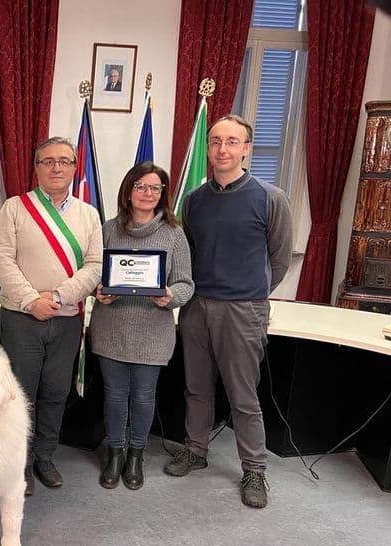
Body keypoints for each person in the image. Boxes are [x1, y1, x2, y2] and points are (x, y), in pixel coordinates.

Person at [163, 114, 293, 509]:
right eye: (216, 141)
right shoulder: (194, 200)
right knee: (196, 387)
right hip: (197, 307)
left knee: (243, 395)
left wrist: (251, 295)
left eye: (232, 142)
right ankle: (196, 449)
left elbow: (279, 259)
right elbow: (189, 254)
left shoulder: (270, 198)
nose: (222, 149)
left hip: (243, 310)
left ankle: (254, 469)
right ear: (209, 148)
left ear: (246, 149)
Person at [0, 136, 103, 495]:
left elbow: (95, 265)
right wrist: (30, 300)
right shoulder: (14, 208)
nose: (57, 167)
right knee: (19, 393)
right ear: (36, 167)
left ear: (74, 168)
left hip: (67, 318)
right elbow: (3, 261)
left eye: (64, 161)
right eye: (48, 161)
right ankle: (18, 464)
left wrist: (56, 297)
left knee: (55, 392)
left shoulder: (88, 214)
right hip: (21, 319)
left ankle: (44, 456)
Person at [88, 161, 194, 491]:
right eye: (140, 186)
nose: (147, 193)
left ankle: (136, 455)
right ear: (128, 190)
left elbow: (186, 284)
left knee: (144, 397)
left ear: (163, 194)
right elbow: (92, 273)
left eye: (154, 188)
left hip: (153, 332)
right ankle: (115, 453)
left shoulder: (174, 234)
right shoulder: (108, 229)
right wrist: (97, 291)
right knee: (114, 396)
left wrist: (170, 295)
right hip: (111, 328)